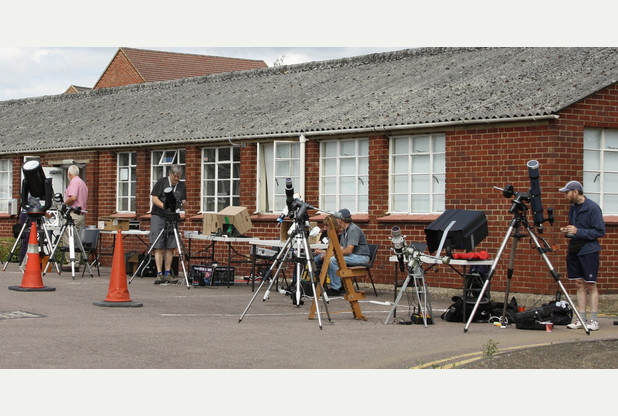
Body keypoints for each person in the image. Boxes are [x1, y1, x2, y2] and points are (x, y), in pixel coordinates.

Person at [559, 180, 605, 331]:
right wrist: (568, 231)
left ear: (576, 192)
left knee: (591, 285)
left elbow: (599, 231)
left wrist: (578, 231)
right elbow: (575, 230)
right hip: (574, 249)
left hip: (589, 251)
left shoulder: (593, 208)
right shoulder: (572, 208)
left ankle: (594, 320)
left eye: (567, 192)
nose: (566, 196)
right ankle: (581, 318)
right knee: (578, 283)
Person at [313, 209, 370, 296]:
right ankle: (337, 285)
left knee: (332, 260)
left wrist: (331, 254)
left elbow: (348, 250)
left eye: (336, 219)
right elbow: (341, 248)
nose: (336, 221)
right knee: (329, 258)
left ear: (341, 219)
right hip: (353, 256)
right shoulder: (345, 231)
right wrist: (325, 252)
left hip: (361, 257)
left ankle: (336, 288)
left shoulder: (353, 230)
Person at [150, 165, 187, 284]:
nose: (176, 179)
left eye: (179, 177)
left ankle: (167, 273)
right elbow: (154, 198)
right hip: (159, 216)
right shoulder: (162, 182)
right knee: (159, 245)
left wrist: (183, 204)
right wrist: (165, 206)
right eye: (175, 176)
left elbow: (184, 200)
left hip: (173, 218)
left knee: (171, 246)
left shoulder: (181, 185)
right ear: (170, 173)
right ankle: (159, 273)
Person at [62, 165, 88, 271]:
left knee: (68, 237)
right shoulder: (82, 183)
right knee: (76, 239)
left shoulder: (74, 182)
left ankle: (71, 262)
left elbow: (72, 197)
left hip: (73, 213)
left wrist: (64, 204)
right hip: (80, 214)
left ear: (69, 174)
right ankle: (76, 261)